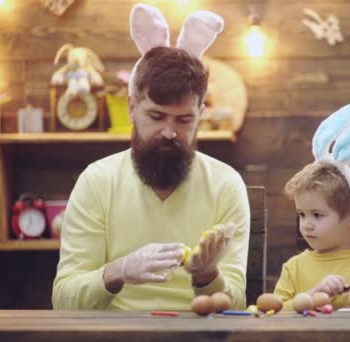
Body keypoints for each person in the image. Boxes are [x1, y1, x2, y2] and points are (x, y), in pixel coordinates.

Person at [52, 4, 250, 310]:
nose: (169, 132)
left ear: (201, 114)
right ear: (131, 107)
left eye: (184, 120)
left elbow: (235, 303)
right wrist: (118, 271)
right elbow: (64, 301)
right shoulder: (98, 181)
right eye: (156, 116)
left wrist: (206, 275)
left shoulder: (226, 184)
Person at [273, 105, 350, 311]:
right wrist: (312, 296)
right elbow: (272, 314)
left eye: (317, 215)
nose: (306, 225)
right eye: (301, 215)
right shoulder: (294, 268)